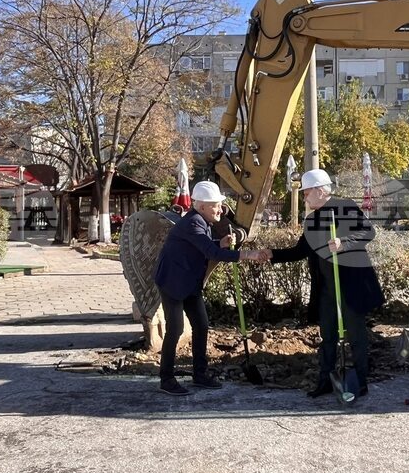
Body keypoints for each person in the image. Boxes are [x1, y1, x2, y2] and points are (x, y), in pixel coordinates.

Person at [267, 168, 385, 398]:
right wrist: (271, 254)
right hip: (326, 289)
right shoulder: (311, 220)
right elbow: (300, 250)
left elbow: (368, 232)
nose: (304, 197)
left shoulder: (345, 207)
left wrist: (344, 242)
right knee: (328, 336)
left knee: (356, 337)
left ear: (320, 191)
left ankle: (360, 381)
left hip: (350, 285)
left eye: (306, 192)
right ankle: (325, 380)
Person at [154, 180, 267, 395]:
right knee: (175, 329)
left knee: (202, 325)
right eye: (216, 205)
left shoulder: (201, 222)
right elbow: (212, 254)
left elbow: (205, 248)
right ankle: (166, 379)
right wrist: (248, 255)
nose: (220, 209)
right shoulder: (193, 223)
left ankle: (200, 374)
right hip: (173, 282)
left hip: (189, 282)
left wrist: (220, 243)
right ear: (203, 205)